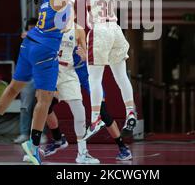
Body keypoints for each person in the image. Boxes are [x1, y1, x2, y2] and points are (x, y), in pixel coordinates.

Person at [0, 0, 82, 165]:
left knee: (13, 87)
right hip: (44, 51)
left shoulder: (45, 3)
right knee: (44, 100)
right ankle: (33, 146)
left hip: (29, 45)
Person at [71, 0, 137, 141]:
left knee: (94, 79)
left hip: (100, 32)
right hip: (116, 30)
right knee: (121, 76)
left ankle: (96, 117)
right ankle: (130, 112)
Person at [39, 13, 132, 162]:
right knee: (46, 105)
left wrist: (85, 55)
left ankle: (122, 147)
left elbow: (91, 54)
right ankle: (58, 139)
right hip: (67, 76)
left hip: (86, 75)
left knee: (102, 112)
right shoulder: (54, 31)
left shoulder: (79, 31)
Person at [13, 18, 46, 145]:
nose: (32, 30)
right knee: (25, 106)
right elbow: (18, 57)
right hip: (27, 77)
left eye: (34, 28)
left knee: (42, 106)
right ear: (27, 29)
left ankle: (41, 134)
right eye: (30, 28)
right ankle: (24, 133)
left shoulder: (45, 39)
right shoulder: (23, 41)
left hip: (42, 75)